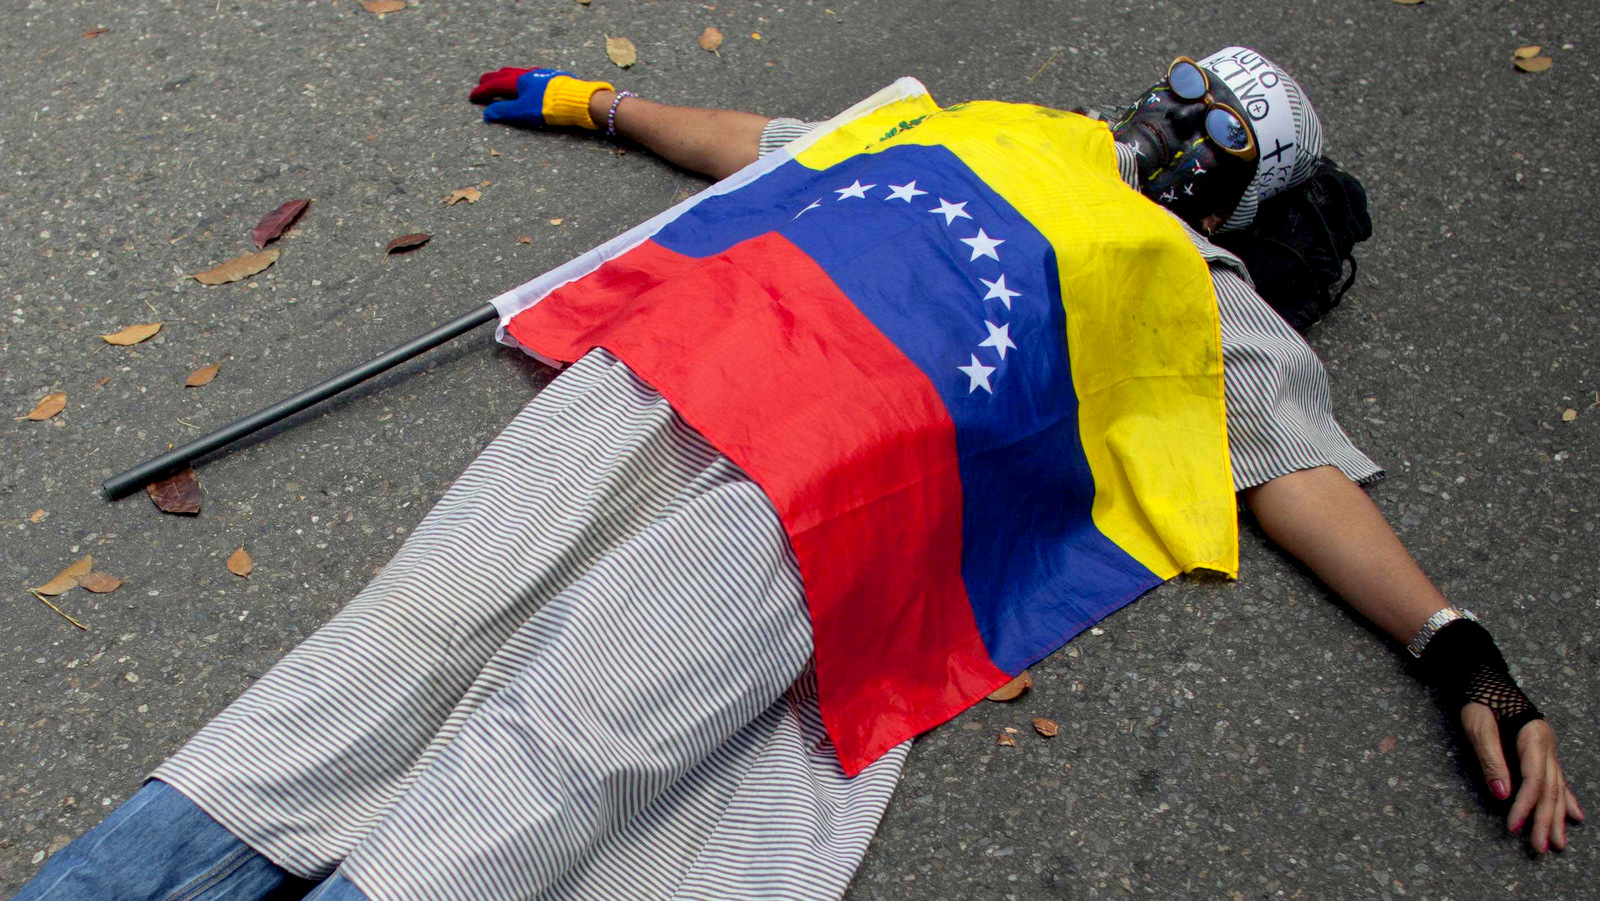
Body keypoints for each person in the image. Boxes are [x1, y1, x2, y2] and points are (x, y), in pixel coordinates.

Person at [11, 47, 1581, 901]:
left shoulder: (1099, 214)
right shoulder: (1080, 204)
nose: (1171, 135)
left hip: (754, 447)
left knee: (474, 716)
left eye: (1200, 132)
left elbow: (1288, 467)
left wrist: (1459, 649)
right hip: (742, 436)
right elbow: (777, 146)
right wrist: (596, 102)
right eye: (1188, 107)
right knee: (466, 709)